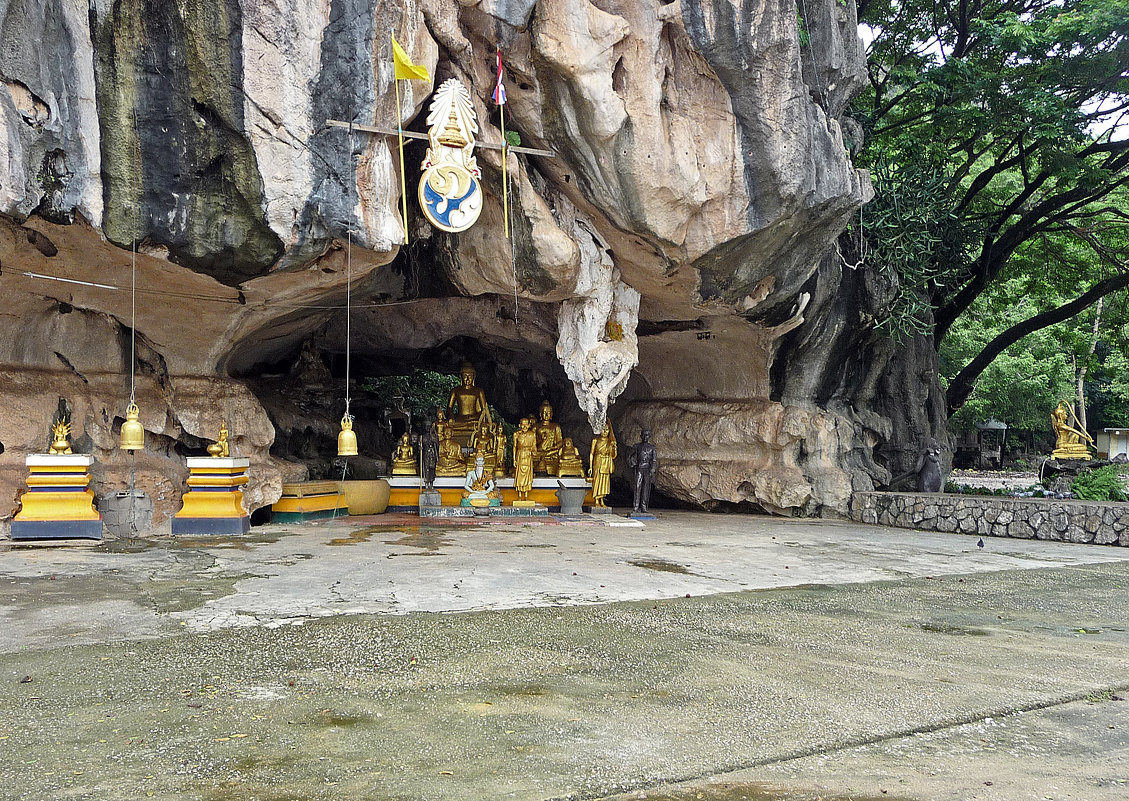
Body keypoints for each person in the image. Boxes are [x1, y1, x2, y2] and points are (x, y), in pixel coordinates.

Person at [446, 364, 491, 444]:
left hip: (474, 419)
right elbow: (449, 408)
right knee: (446, 425)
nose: (467, 379)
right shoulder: (455, 391)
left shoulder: (479, 391)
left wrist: (481, 419)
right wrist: (451, 416)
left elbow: (484, 410)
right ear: (461, 377)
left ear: (474, 377)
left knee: (485, 425)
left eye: (470, 376)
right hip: (460, 420)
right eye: (465, 376)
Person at [628, 428, 657, 514]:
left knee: (646, 488)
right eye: (644, 435)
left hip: (647, 468)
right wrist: (633, 464)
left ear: (649, 436)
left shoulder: (652, 448)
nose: (645, 437)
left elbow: (654, 460)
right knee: (637, 486)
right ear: (641, 436)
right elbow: (630, 456)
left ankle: (644, 507)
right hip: (639, 467)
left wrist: (652, 469)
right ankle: (636, 506)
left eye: (647, 435)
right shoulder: (637, 446)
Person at [588, 422, 617, 507]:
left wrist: (614, 448)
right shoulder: (595, 440)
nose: (605, 431)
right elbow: (591, 454)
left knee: (604, 481)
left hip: (606, 461)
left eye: (607, 430)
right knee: (597, 479)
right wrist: (590, 467)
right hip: (598, 461)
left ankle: (602, 500)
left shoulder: (610, 441)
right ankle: (596, 500)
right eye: (603, 429)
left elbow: (613, 455)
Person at [533, 401, 564, 474]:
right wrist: (541, 440)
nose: (546, 414)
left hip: (552, 452)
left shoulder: (556, 426)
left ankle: (544, 457)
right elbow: (532, 443)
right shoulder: (535, 427)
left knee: (559, 454)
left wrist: (553, 447)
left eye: (548, 412)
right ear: (540, 414)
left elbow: (560, 442)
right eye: (544, 412)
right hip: (539, 452)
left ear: (551, 414)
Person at [512, 416, 537, 501]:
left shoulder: (532, 434)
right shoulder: (516, 434)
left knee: (528, 476)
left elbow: (534, 447)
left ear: (529, 425)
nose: (525, 427)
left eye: (526, 424)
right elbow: (514, 447)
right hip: (520, 455)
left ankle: (526, 494)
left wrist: (534, 452)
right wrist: (514, 459)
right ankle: (519, 494)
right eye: (523, 425)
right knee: (519, 475)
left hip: (528, 455)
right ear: (519, 425)